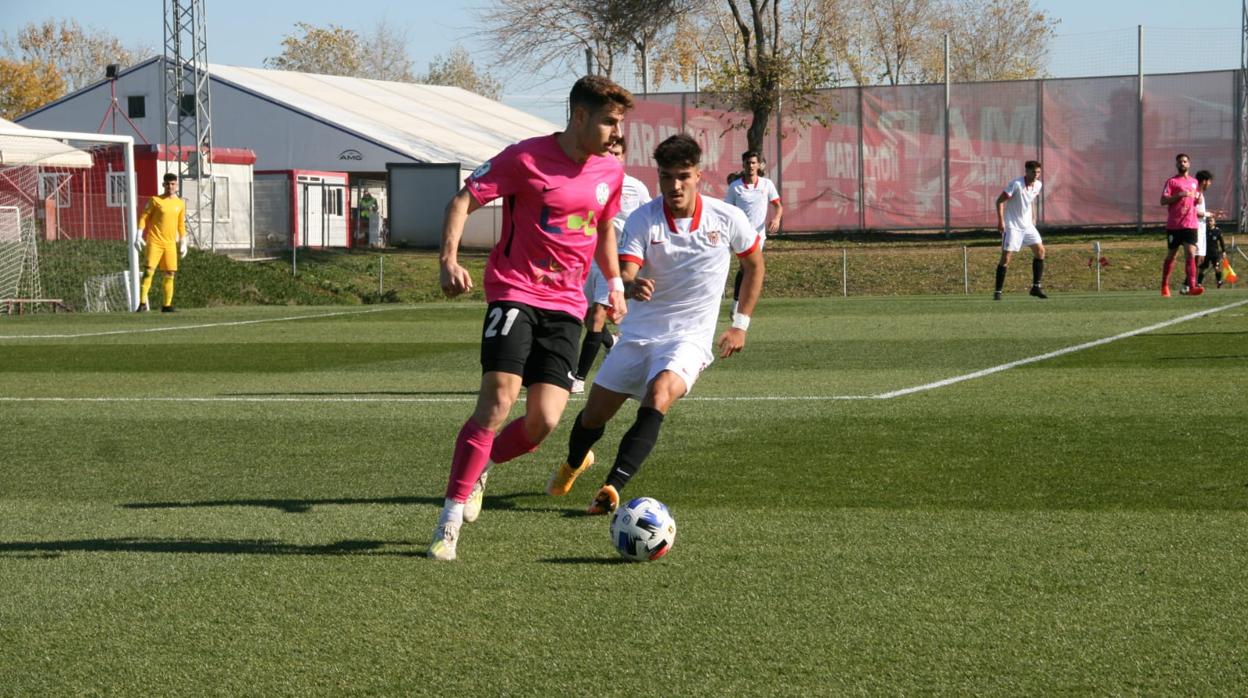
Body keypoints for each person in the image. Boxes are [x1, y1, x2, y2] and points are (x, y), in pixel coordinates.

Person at [428, 75, 634, 561]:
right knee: (498, 401)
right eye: (608, 121)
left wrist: (615, 284)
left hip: (566, 306)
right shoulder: (523, 157)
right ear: (579, 116)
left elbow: (604, 229)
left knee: (543, 421)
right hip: (514, 293)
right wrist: (448, 260)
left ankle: (482, 465)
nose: (615, 132)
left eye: (619, 123)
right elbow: (463, 200)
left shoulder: (611, 172)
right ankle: (449, 518)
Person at [546, 133, 765, 515]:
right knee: (593, 416)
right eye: (666, 177)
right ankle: (576, 460)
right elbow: (628, 268)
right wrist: (629, 285)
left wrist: (740, 323)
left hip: (689, 339)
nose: (674, 186)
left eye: (683, 176)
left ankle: (612, 487)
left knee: (660, 393)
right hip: (639, 335)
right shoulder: (644, 218)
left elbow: (754, 264)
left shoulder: (726, 218)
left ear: (699, 175)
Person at [572, 137, 652, 394]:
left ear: (624, 156)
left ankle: (578, 377)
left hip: (616, 261)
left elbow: (649, 221)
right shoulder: (591, 182)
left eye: (617, 153)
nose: (612, 158)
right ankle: (611, 342)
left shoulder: (636, 188)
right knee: (584, 314)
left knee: (597, 315)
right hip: (588, 259)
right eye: (608, 153)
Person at [724, 150, 780, 316]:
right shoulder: (735, 187)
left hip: (759, 235)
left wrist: (776, 219)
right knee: (745, 267)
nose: (751, 166)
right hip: (741, 234)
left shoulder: (766, 184)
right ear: (743, 165)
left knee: (749, 269)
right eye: (748, 163)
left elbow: (778, 206)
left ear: (758, 165)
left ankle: (739, 306)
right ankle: (737, 306)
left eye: (753, 163)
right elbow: (727, 210)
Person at [993, 160, 1047, 301]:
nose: (1036, 175)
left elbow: (1031, 201)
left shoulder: (1038, 185)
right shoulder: (1016, 184)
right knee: (1006, 258)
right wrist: (1001, 221)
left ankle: (1036, 287)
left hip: (1028, 226)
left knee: (1040, 251)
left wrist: (1033, 217)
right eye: (1033, 172)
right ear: (1026, 171)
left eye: (1038, 172)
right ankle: (998, 292)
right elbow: (999, 201)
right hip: (1012, 226)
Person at [135, 172, 187, 312]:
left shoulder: (180, 203)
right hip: (155, 241)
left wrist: (183, 241)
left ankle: (167, 305)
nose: (170, 186)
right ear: (163, 184)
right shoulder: (155, 200)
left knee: (170, 273)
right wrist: (139, 234)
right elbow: (144, 217)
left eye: (173, 184)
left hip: (170, 244)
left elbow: (181, 224)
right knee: (149, 271)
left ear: (176, 185)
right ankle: (142, 303)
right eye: (168, 184)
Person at [1160, 153, 1204, 297]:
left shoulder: (1194, 182)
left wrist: (1198, 199)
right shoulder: (1172, 182)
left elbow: (1195, 201)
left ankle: (1192, 286)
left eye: (1185, 161)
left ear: (1189, 164)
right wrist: (1178, 195)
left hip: (1190, 224)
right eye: (1180, 162)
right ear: (1177, 164)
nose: (1182, 164)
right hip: (1174, 225)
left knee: (1191, 254)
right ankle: (1165, 285)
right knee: (1172, 255)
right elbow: (1163, 201)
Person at [1194, 170, 1227, 288]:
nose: (1210, 184)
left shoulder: (1200, 194)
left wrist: (1212, 214)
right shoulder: (1196, 194)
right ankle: (1189, 284)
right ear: (1204, 181)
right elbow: (1194, 212)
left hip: (1202, 234)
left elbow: (1202, 213)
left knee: (1199, 259)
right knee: (1196, 259)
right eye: (1209, 182)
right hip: (1196, 229)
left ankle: (1191, 284)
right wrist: (1209, 215)